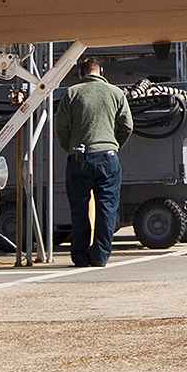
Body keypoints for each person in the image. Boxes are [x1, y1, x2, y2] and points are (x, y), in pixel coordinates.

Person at [55, 54, 133, 267]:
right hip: (108, 157)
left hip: (79, 158)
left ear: (81, 74)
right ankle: (100, 256)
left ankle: (80, 257)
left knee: (79, 210)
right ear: (101, 72)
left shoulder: (72, 93)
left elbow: (61, 126)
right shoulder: (116, 93)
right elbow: (127, 126)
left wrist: (69, 147)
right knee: (107, 208)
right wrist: (114, 145)